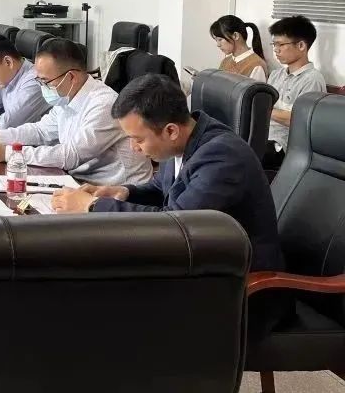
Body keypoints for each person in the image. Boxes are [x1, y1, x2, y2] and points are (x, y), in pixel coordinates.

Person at [52, 73, 290, 340]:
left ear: (171, 131)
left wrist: (94, 206)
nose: (134, 147)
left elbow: (174, 225)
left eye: (138, 139)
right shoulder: (182, 141)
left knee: (104, 299)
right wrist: (123, 192)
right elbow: (162, 190)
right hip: (203, 265)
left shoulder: (222, 157)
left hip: (242, 292)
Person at [0, 39, 152, 185]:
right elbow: (41, 131)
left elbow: (71, 155)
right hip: (81, 182)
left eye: (45, 81)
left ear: (71, 77)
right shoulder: (66, 97)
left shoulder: (103, 104)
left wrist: (9, 154)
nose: (42, 87)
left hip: (120, 192)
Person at [264, 15, 327, 170]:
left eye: (280, 44)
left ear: (301, 45)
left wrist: (264, 109)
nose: (276, 49)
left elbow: (300, 120)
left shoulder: (312, 79)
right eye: (274, 44)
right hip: (261, 135)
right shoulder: (276, 75)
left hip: (282, 146)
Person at [210, 14, 268, 81]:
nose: (218, 45)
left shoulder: (256, 65)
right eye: (216, 40)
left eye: (220, 39)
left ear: (235, 36)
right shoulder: (225, 61)